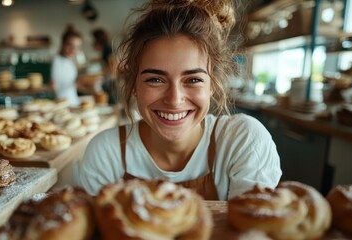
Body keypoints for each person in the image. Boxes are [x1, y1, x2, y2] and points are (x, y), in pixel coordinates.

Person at [78, 0, 282, 200]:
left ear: (213, 85)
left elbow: (252, 229)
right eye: (155, 80)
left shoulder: (243, 141)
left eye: (193, 79)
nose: (174, 100)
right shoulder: (106, 152)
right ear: (134, 87)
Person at [50, 25, 83, 107]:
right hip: (61, 106)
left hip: (74, 103)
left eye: (77, 47)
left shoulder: (70, 61)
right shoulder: (55, 61)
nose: (73, 50)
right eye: (70, 45)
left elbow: (73, 84)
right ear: (63, 44)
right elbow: (52, 87)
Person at [91, 28, 117, 104]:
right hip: (110, 78)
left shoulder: (108, 49)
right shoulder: (106, 49)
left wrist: (101, 73)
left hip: (111, 79)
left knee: (110, 101)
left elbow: (113, 66)